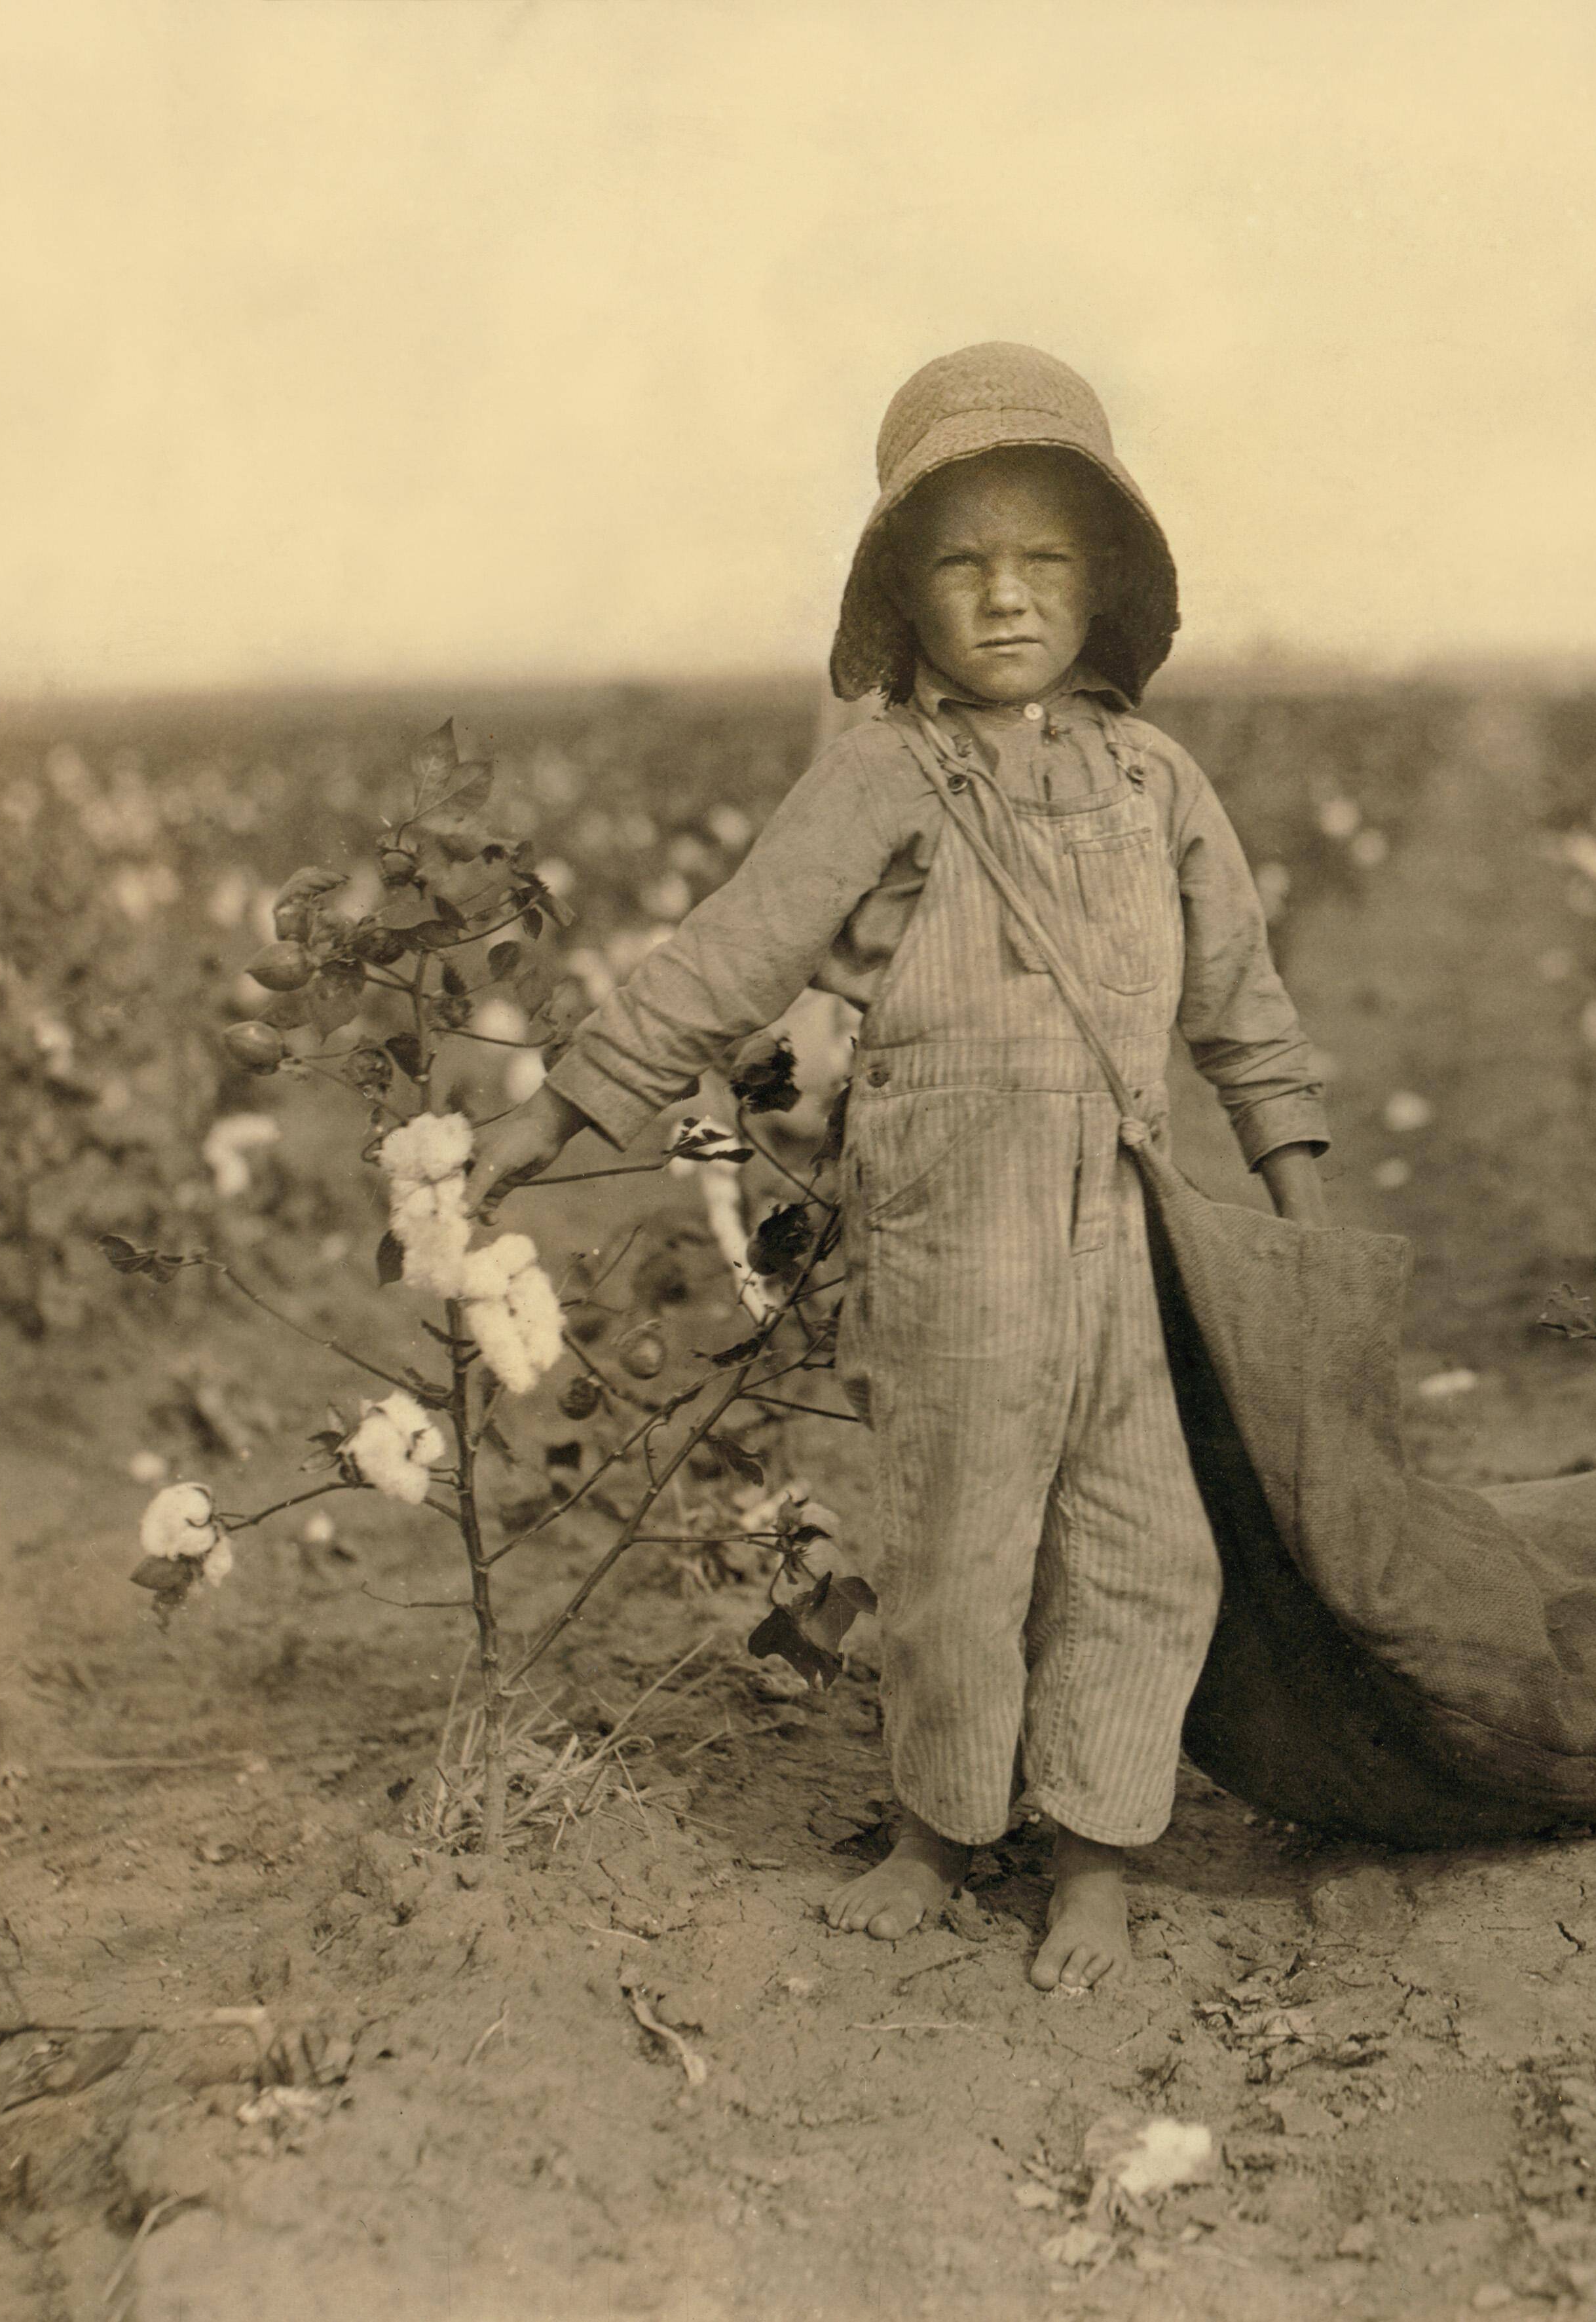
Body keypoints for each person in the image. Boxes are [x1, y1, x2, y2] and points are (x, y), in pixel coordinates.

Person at [470, 343, 1330, 1993]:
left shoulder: (1162, 786)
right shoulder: (883, 773)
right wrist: (560, 1112)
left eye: (1045, 560)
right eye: (961, 561)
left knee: (1147, 1540)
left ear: (1110, 581)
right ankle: (939, 1833)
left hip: (1130, 1234)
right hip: (954, 1233)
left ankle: (1096, 1856)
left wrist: (1301, 1228)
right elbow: (727, 958)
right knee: (957, 1535)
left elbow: (1249, 1013)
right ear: (903, 592)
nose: (1006, 600)